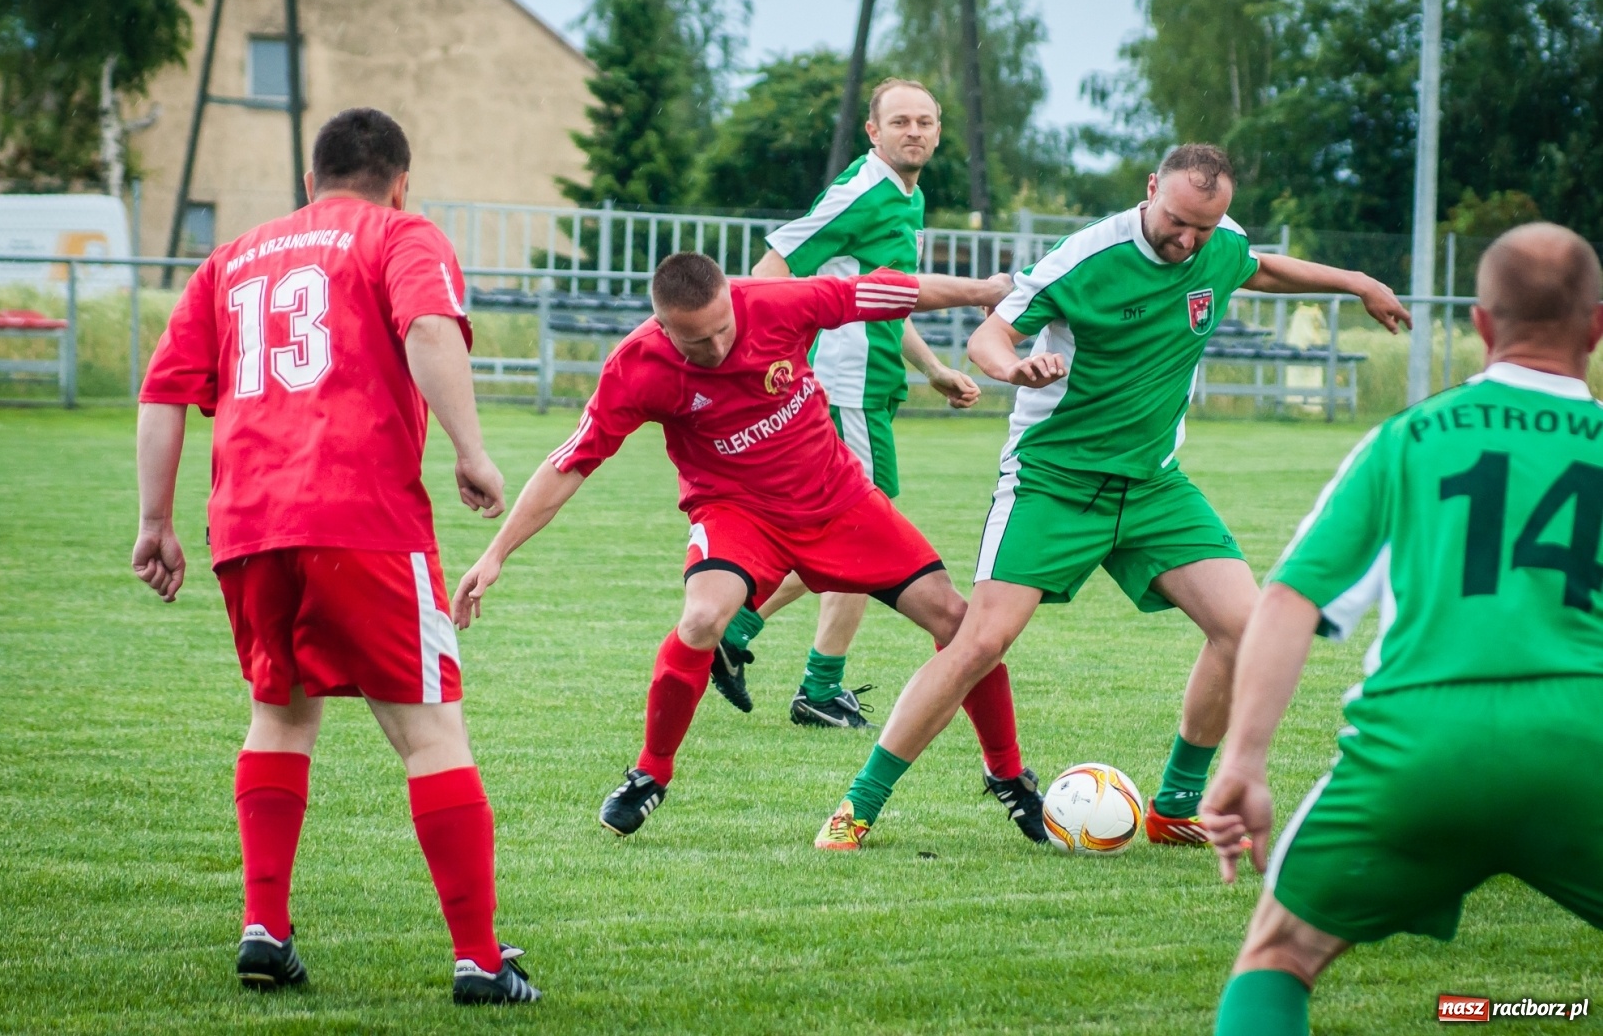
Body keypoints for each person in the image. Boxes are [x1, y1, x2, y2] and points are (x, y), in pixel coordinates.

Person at [815, 143, 1412, 851]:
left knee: (1246, 630)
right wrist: (1016, 367)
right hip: (1054, 482)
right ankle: (857, 807)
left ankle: (1176, 805)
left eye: (1204, 227)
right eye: (1177, 221)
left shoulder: (1219, 243)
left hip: (1153, 484)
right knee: (980, 643)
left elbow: (1259, 267)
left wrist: (1357, 282)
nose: (1187, 240)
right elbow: (988, 336)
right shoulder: (1086, 257)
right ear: (1151, 188)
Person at [132, 108, 539, 1005]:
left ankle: (265, 929)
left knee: (280, 717)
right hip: (362, 518)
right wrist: (471, 451)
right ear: (401, 182)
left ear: (310, 183)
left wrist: (155, 520)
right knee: (430, 732)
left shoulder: (230, 258)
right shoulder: (401, 233)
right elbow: (428, 328)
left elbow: (162, 392)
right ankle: (479, 959)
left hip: (248, 527)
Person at [451, 253, 1045, 843]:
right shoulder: (637, 366)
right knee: (702, 618)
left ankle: (1006, 773)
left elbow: (889, 290)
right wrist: (496, 553)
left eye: (722, 330)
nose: (715, 348)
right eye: (696, 341)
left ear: (731, 300)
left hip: (838, 499)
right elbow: (571, 462)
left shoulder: (776, 303)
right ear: (663, 328)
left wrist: (982, 290)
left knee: (959, 623)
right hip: (737, 514)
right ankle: (650, 773)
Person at [1202, 223, 1603, 1035]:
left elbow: (1289, 599)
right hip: (1586, 742)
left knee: (1278, 957)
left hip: (1419, 747)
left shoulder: (1410, 437)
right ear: (1596, 327)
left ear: (1481, 325)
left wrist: (1243, 760)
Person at [709, 77, 981, 730]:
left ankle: (782, 660)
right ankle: (764, 647)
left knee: (853, 535)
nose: (914, 131)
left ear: (938, 131)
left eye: (924, 121)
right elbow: (768, 272)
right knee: (861, 534)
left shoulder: (906, 196)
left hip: (871, 391)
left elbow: (882, 298)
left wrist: (934, 369)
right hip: (843, 391)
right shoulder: (861, 192)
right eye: (900, 122)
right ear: (873, 131)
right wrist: (768, 364)